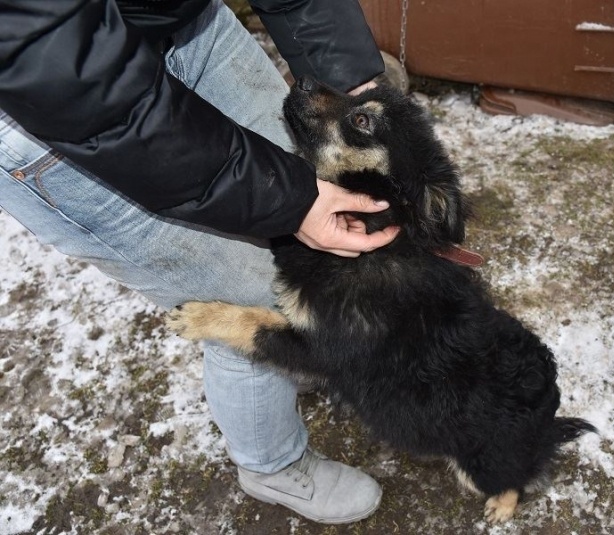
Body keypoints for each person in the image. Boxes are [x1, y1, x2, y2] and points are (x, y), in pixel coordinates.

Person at [0, 0, 399, 524]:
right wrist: (287, 200)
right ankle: (271, 464)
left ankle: (295, 358)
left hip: (186, 25)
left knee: (311, 235)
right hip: (51, 112)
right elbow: (60, 66)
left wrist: (351, 80)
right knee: (260, 299)